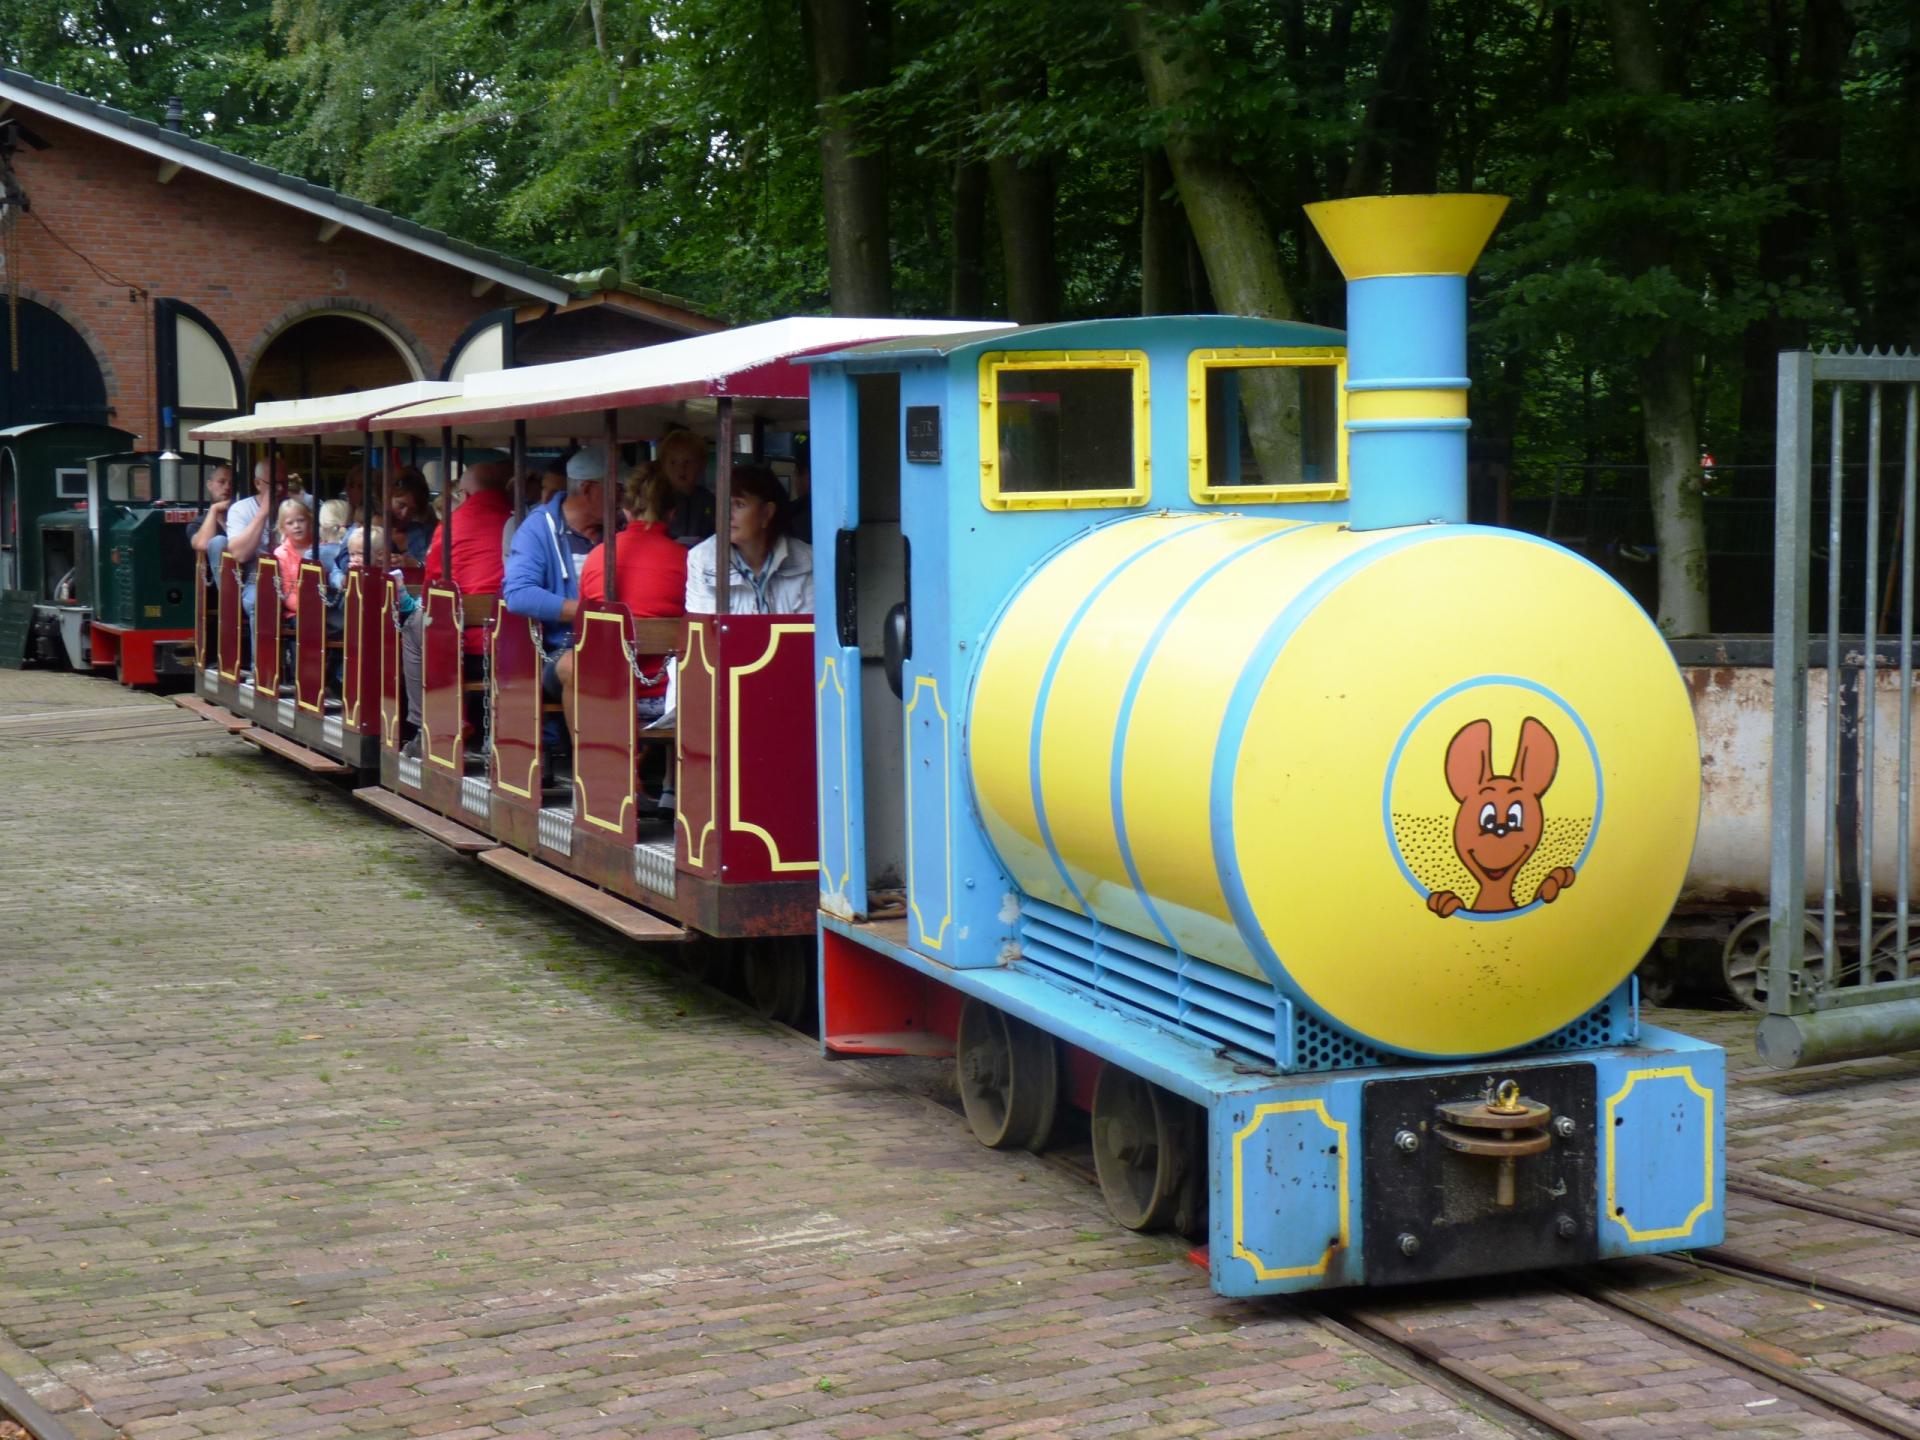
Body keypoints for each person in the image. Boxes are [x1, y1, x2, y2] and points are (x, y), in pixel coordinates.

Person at [398, 461, 515, 750]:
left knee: (413, 628)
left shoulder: (452, 525)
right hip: (515, 641)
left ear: (463, 494)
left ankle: (424, 725)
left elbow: (433, 585)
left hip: (467, 644)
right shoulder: (521, 520)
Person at [560, 466, 686, 724]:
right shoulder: (687, 561)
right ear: (673, 513)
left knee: (566, 665)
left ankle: (583, 755)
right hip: (671, 695)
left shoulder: (598, 557)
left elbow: (584, 626)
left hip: (608, 694)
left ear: (626, 510)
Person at [502, 449, 605, 718]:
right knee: (577, 666)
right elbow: (518, 594)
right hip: (558, 650)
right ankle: (587, 758)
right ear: (589, 489)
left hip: (620, 645)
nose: (625, 498)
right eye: (618, 488)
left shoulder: (619, 529)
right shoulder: (537, 528)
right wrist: (587, 612)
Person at [685, 466, 813, 615]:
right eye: (724, 504)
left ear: (767, 513)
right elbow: (707, 631)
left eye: (739, 505)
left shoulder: (806, 560)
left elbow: (810, 632)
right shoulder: (702, 558)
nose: (728, 514)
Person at [658, 429, 717, 546]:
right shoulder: (658, 498)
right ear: (663, 465)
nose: (681, 468)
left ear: (702, 465)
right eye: (673, 462)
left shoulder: (709, 500)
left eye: (688, 462)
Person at [189, 464, 236, 577]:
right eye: (221, 482)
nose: (227, 487)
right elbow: (203, 544)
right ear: (209, 485)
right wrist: (214, 509)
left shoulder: (242, 517)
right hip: (214, 587)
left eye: (231, 483)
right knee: (218, 541)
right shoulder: (198, 523)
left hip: (244, 576)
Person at [388, 468, 436, 563]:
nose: (405, 513)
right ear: (388, 498)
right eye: (401, 505)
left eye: (412, 509)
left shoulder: (426, 533)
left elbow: (435, 566)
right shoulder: (369, 532)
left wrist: (415, 564)